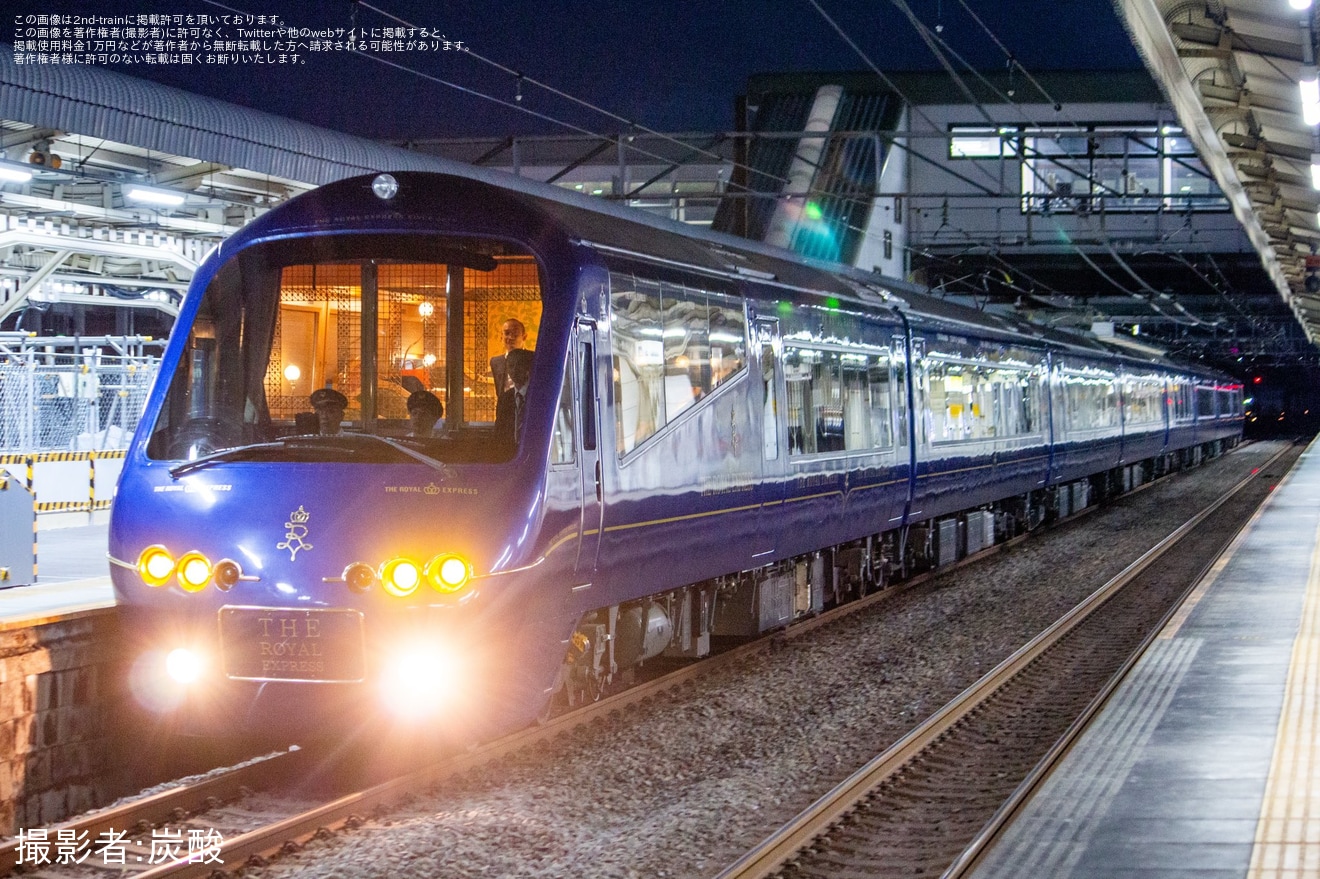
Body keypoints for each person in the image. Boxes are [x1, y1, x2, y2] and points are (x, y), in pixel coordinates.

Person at [494, 348, 533, 446]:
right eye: (511, 366)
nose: (514, 370)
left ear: (527, 367)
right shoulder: (505, 398)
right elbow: (498, 431)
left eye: (519, 365)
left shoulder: (537, 396)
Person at [490, 318, 527, 394]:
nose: (510, 337)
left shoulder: (533, 359)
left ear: (524, 337)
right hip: (505, 404)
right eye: (507, 333)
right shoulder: (495, 362)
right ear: (501, 336)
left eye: (515, 334)